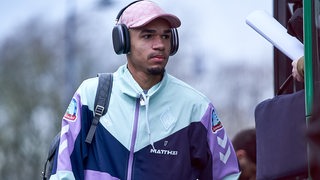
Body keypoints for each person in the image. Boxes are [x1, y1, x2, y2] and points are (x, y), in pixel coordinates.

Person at [50, 1, 240, 179]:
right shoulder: (89, 96)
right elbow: (63, 172)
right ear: (122, 41)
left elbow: (227, 175)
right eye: (148, 36)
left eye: (165, 36)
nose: (160, 45)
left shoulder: (197, 108)